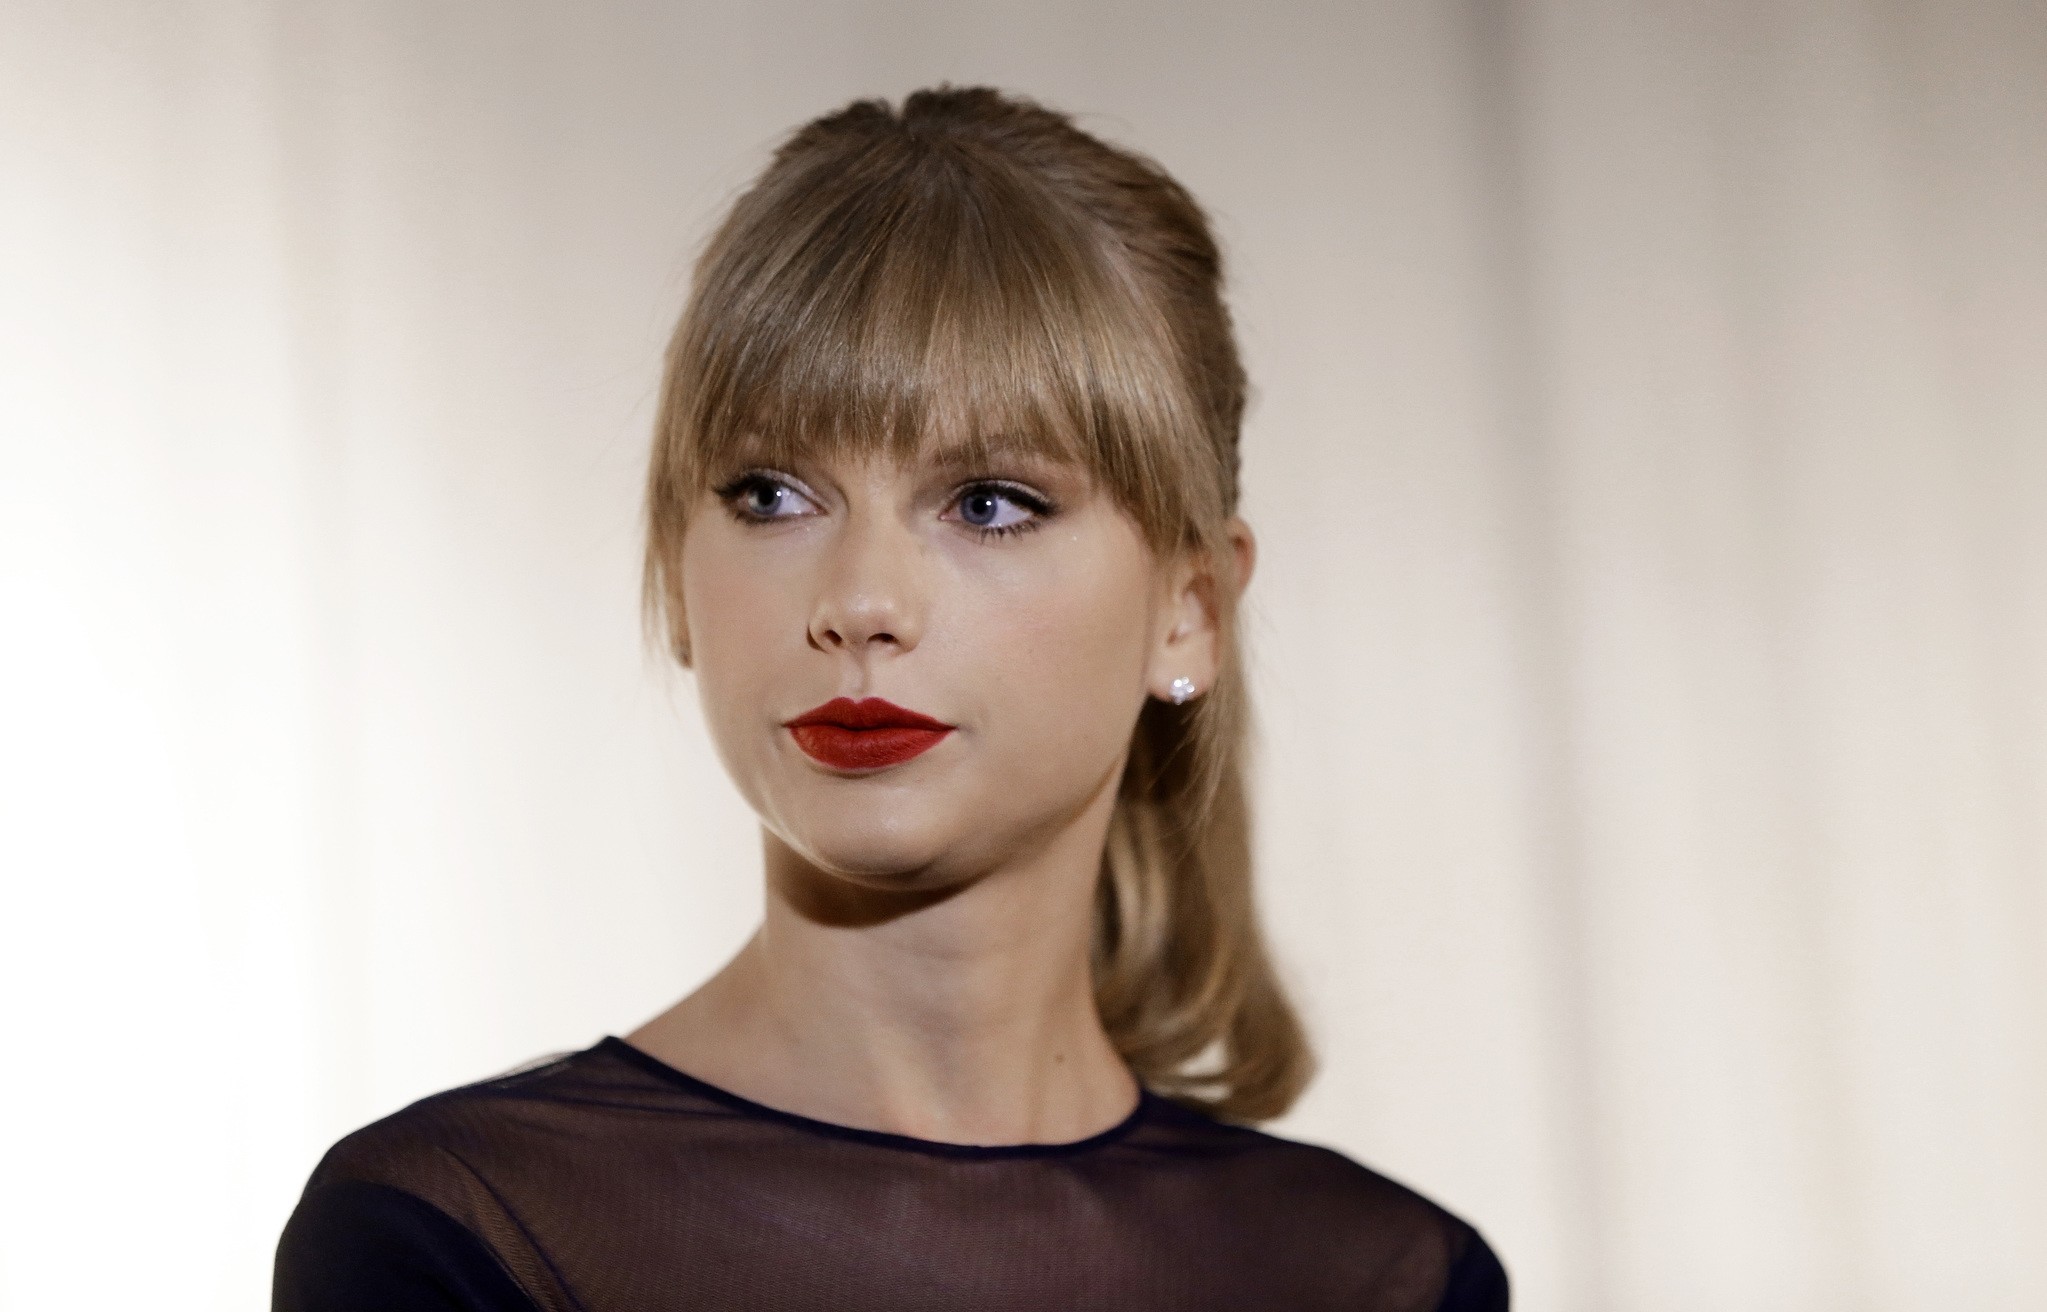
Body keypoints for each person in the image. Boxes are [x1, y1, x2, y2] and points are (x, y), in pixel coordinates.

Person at [272, 85, 1510, 1312]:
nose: (859, 601)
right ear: (676, 576)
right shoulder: (457, 1240)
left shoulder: (1385, 1279)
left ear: (1188, 607)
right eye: (771, 494)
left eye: (988, 502)